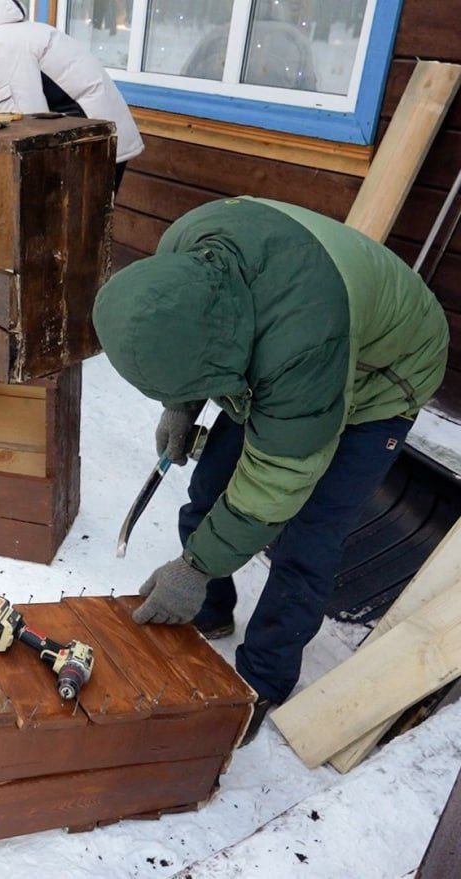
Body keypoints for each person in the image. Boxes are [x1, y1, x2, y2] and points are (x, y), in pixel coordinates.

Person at [92, 196, 449, 743]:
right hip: (293, 330)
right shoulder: (182, 251)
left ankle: (261, 678)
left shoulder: (299, 348)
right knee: (211, 485)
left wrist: (193, 565)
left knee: (308, 535)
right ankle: (210, 608)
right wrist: (181, 405)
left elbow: (276, 482)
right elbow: (186, 337)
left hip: (384, 375)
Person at [0, 0, 143, 190]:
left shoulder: (1, 46)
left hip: (94, 139)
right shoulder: (1, 39)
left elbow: (24, 125)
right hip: (93, 135)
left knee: (73, 219)